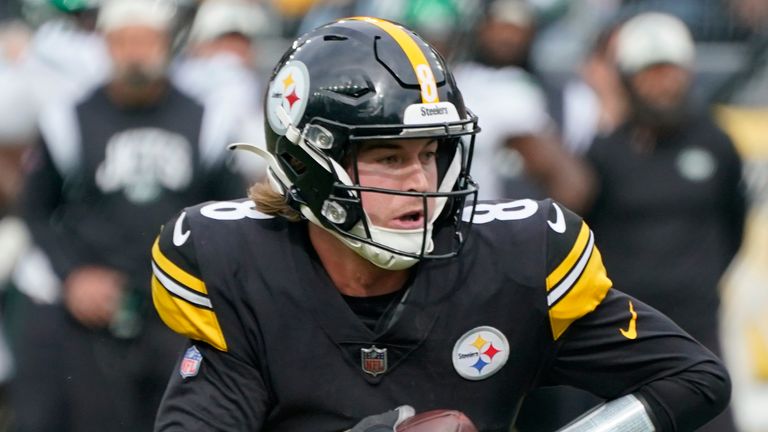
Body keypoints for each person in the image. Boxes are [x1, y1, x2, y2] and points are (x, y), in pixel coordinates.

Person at [152, 17, 730, 431]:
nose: (421, 181)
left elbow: (694, 378)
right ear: (309, 161)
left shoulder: (515, 261)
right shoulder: (238, 268)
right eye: (390, 157)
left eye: (430, 154)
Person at [12, 0, 245, 431]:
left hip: (177, 307)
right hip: (92, 308)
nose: (135, 52)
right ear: (105, 44)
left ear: (166, 42)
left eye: (145, 39)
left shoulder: (207, 119)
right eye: (123, 40)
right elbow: (37, 209)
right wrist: (73, 275)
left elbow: (230, 212)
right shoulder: (69, 118)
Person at [580, 12, 746, 432]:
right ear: (627, 79)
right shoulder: (603, 151)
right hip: (622, 336)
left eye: (670, 71)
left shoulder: (716, 142)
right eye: (649, 73)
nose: (662, 84)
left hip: (699, 332)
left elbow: (735, 223)